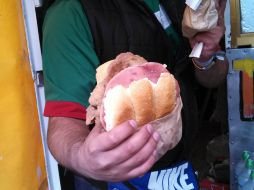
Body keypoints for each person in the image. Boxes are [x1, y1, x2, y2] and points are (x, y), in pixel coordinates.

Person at [42, 0, 228, 189]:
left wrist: (205, 57)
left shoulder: (184, 4)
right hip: (116, 182)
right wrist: (82, 157)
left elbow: (212, 79)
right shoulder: (70, 14)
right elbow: (63, 122)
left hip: (181, 172)